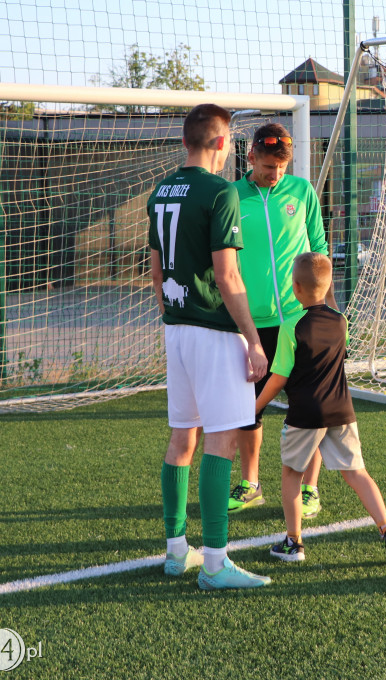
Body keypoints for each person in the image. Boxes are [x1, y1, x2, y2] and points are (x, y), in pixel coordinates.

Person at [147, 103, 271, 590]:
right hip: (214, 332)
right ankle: (216, 562)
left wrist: (175, 316)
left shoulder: (160, 191)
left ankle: (177, 552)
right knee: (220, 440)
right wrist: (254, 340)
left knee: (182, 437)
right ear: (223, 143)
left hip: (174, 328)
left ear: (186, 141)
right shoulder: (221, 191)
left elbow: (156, 272)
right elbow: (228, 275)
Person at [255, 252, 386, 567]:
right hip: (341, 410)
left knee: (291, 474)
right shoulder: (341, 321)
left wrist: (254, 407)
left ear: (295, 287)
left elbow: (279, 378)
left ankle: (293, 542)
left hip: (305, 414)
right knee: (357, 473)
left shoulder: (291, 327)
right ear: (328, 287)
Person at [229, 124, 335, 519]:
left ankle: (310, 488)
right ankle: (251, 483)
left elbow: (319, 250)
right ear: (252, 155)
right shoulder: (232, 197)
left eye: (282, 167)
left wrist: (325, 310)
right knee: (248, 405)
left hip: (299, 319)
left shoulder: (302, 192)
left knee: (309, 407)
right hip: (251, 323)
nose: (276, 174)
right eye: (270, 166)